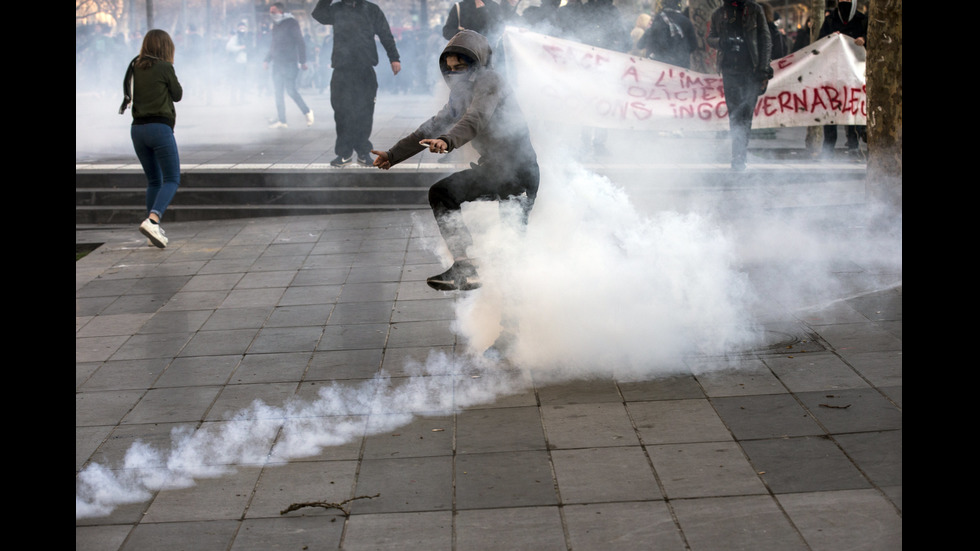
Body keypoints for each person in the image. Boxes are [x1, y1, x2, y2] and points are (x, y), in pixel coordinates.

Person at [370, 30, 539, 292]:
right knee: (442, 193)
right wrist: (392, 156)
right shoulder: (459, 94)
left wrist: (448, 141)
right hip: (495, 171)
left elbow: (476, 119)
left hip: (519, 172)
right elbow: (433, 126)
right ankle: (464, 267)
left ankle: (521, 317)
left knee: (510, 252)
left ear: (476, 63)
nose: (454, 74)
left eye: (460, 68)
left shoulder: (491, 81)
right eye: (449, 69)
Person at [311, 0, 401, 167]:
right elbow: (318, 15)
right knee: (342, 112)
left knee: (364, 113)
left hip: (365, 69)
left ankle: (362, 152)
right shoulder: (336, 9)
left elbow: (385, 34)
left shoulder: (371, 9)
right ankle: (344, 154)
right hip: (342, 69)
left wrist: (394, 57)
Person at [119, 29, 183, 248]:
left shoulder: (135, 65)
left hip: (137, 129)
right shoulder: (165, 67)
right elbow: (178, 95)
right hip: (159, 128)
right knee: (172, 178)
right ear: (166, 47)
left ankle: (151, 232)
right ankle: (153, 220)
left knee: (153, 181)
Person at [706, 0, 773, 171]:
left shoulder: (754, 10)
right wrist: (722, 42)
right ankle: (737, 157)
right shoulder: (719, 13)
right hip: (730, 71)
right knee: (735, 115)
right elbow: (710, 38)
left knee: (746, 114)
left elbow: (765, 40)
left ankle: (740, 155)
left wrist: (763, 69)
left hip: (751, 70)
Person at [818, 0, 868, 156]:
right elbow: (820, 41)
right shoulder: (830, 19)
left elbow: (870, 37)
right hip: (833, 72)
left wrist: (863, 39)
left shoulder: (862, 19)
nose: (844, 2)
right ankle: (828, 148)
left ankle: (853, 144)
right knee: (830, 108)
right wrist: (830, 39)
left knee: (852, 108)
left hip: (854, 73)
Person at [264, 3, 314, 129]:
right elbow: (273, 45)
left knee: (291, 91)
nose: (272, 14)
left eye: (274, 11)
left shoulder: (291, 23)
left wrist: (303, 61)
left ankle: (307, 111)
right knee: (278, 92)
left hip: (289, 63)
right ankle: (282, 120)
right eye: (271, 12)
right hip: (277, 63)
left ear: (281, 11)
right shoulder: (276, 25)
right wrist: (267, 59)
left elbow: (300, 42)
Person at [639, 0, 698, 68]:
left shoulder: (659, 19)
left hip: (660, 66)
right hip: (681, 66)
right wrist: (682, 53)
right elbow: (694, 45)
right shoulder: (686, 22)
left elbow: (645, 42)